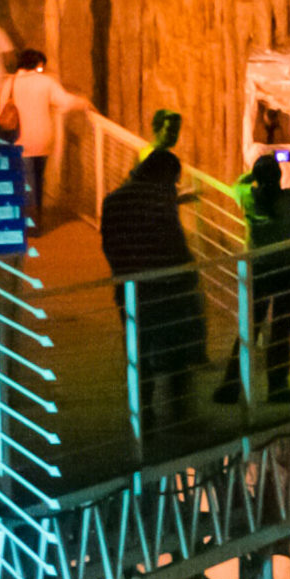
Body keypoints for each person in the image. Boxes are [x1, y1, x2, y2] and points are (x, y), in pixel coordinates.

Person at [100, 111, 206, 430]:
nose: (174, 186)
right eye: (173, 181)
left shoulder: (113, 199)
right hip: (168, 286)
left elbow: (110, 242)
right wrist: (187, 274)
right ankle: (179, 414)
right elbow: (173, 242)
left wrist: (124, 274)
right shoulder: (161, 197)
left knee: (140, 351)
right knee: (175, 351)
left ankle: (143, 414)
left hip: (132, 286)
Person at [213, 146, 290, 406]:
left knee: (249, 329)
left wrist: (257, 167)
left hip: (259, 271)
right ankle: (277, 389)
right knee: (281, 330)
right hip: (289, 271)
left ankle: (231, 386)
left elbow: (239, 182)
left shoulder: (246, 195)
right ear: (279, 177)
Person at [1, 49, 88, 224]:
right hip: (42, 138)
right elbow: (65, 101)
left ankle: (26, 220)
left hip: (18, 139)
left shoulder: (10, 83)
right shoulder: (46, 82)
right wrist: (84, 102)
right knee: (39, 179)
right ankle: (36, 218)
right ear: (39, 65)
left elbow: (0, 110)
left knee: (24, 179)